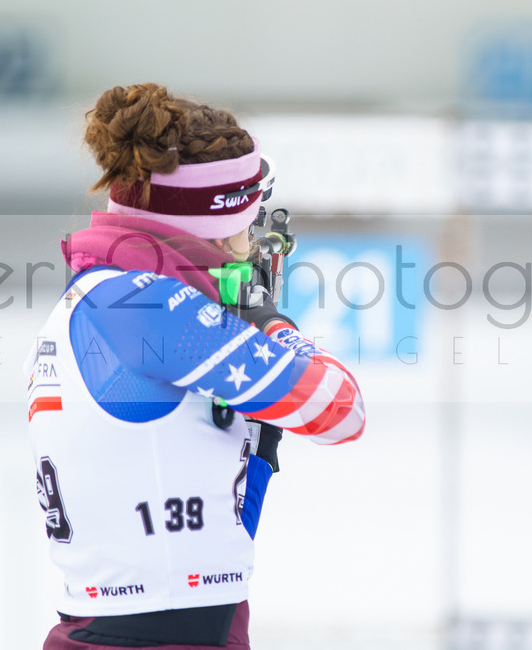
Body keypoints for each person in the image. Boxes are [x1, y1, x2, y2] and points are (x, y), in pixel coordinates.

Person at [24, 83, 365, 649]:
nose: (251, 241)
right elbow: (340, 410)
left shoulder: (107, 296)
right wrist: (269, 322)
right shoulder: (142, 304)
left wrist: (256, 449)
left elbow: (217, 547)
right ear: (215, 224)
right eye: (247, 223)